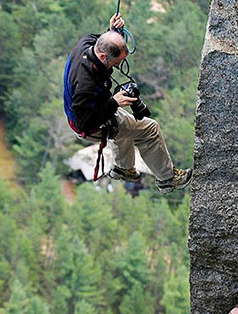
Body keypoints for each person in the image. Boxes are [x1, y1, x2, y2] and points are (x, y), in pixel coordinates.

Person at [63, 13, 192, 193]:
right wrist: (114, 103)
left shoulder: (86, 44)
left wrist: (113, 30)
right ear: (102, 57)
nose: (116, 67)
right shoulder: (86, 85)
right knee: (149, 129)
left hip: (92, 108)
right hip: (88, 123)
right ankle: (167, 179)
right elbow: (84, 123)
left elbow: (105, 40)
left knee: (125, 126)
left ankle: (122, 168)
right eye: (115, 63)